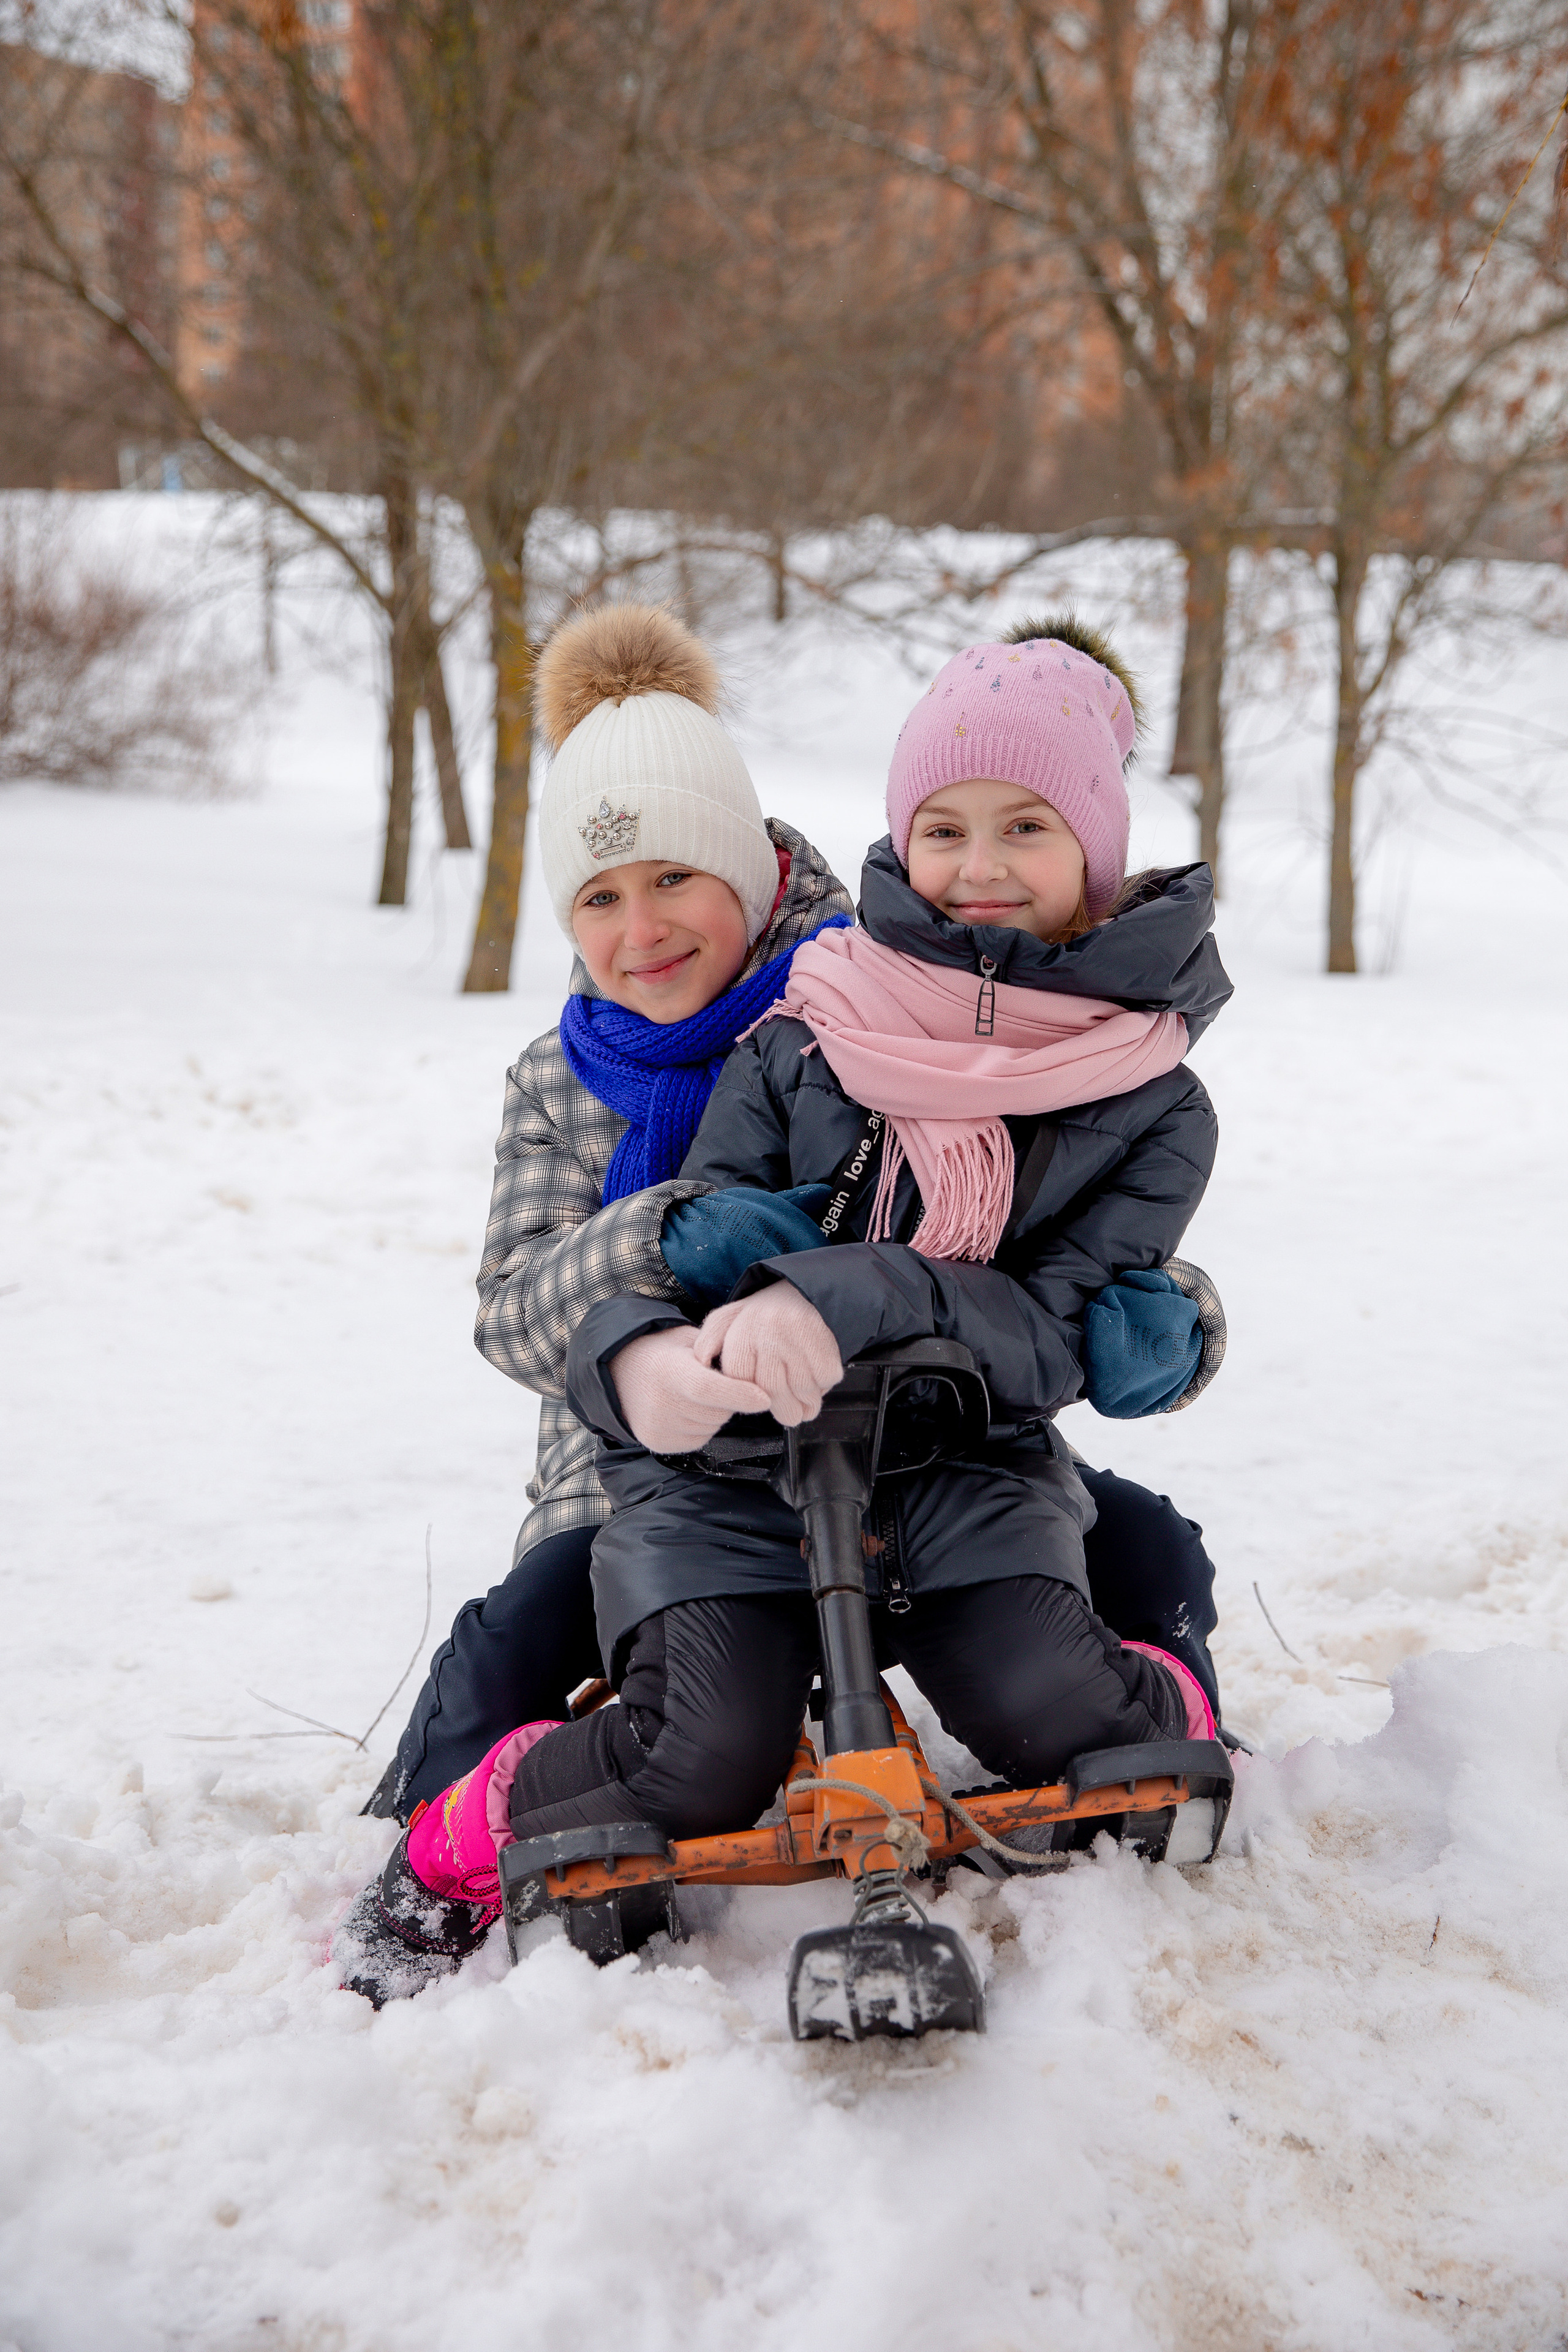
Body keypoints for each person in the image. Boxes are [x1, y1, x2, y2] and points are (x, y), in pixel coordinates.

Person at [336, 612, 1232, 2005]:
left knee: (1130, 1543)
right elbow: (514, 1303)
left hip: (941, 1426)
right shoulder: (572, 1077)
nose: (643, 931)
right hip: (659, 1439)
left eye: (676, 879)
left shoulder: (867, 971)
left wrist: (1173, 1317)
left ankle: (1155, 1708)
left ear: (756, 867)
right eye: (597, 898)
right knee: (535, 1624)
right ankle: (438, 1829)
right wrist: (659, 1269)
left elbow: (1078, 1254)